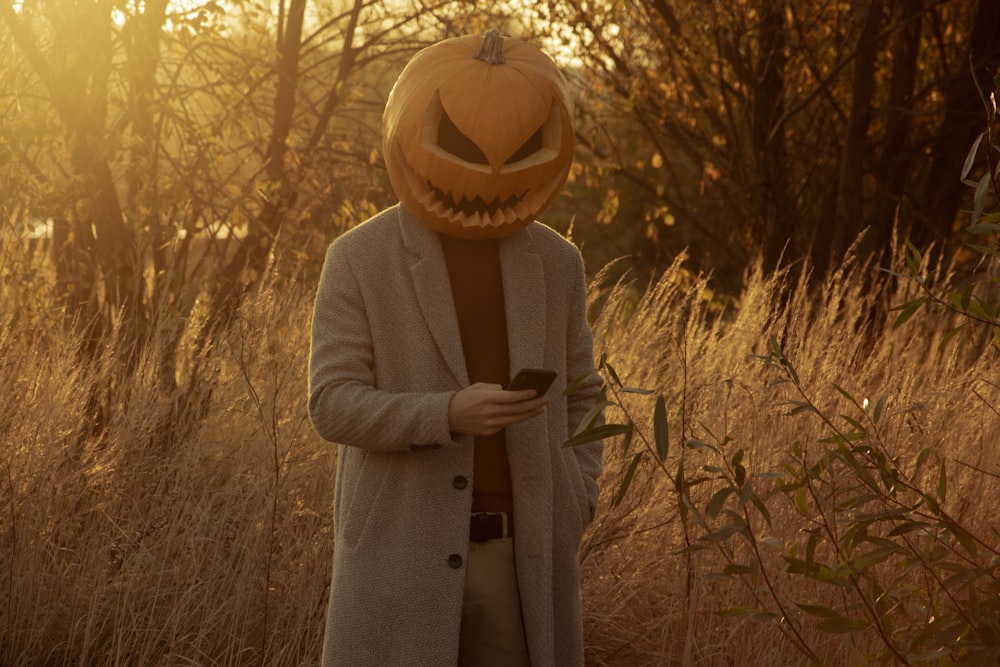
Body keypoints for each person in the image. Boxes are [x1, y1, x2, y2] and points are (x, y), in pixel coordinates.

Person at [308, 30, 604, 666]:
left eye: (520, 149)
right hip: (398, 559)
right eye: (464, 146)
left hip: (523, 562)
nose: (492, 171)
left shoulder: (558, 263)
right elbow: (331, 403)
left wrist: (575, 500)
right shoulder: (358, 259)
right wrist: (446, 413)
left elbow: (586, 393)